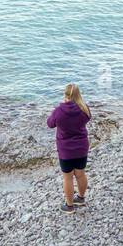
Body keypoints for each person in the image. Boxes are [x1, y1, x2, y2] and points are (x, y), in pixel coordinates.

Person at [47, 82, 91, 214]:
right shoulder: (84, 108)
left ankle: (69, 205)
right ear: (78, 95)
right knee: (80, 173)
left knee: (68, 177)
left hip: (66, 149)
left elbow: (50, 124)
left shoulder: (59, 111)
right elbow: (88, 118)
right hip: (82, 147)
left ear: (64, 95)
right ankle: (81, 198)